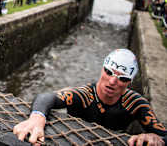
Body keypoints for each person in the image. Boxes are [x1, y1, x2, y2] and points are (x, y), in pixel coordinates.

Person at [13, 49, 166, 145]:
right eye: (108, 72)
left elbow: (163, 135)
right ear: (102, 69)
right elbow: (47, 98)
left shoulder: (135, 104)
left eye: (122, 78)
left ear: (129, 83)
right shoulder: (85, 95)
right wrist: (37, 118)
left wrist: (154, 137)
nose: (112, 81)